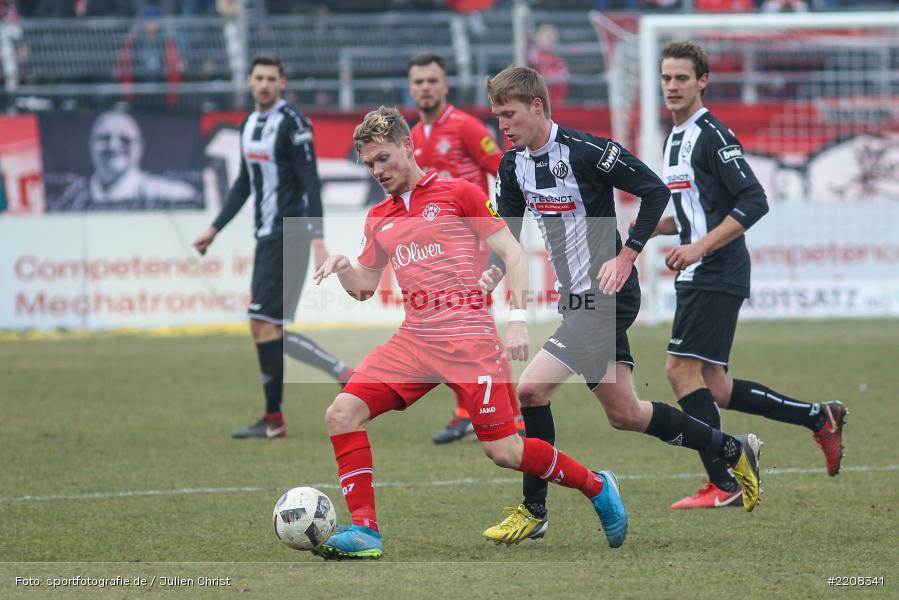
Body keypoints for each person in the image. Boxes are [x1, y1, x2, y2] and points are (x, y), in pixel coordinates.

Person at [310, 106, 628, 560]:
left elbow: (514, 255)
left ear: (407, 146)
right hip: (415, 340)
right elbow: (363, 288)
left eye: (383, 158)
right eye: (368, 164)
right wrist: (345, 266)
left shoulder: (459, 194)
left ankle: (597, 486)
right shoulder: (379, 216)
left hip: (470, 342)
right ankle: (366, 531)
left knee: (505, 451)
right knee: (341, 414)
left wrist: (517, 321)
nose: (377, 171)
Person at [479, 66, 764, 545]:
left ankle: (534, 510)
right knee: (626, 414)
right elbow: (505, 230)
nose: (503, 126)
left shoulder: (588, 151)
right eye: (497, 117)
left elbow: (654, 189)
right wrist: (491, 270)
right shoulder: (513, 165)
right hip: (578, 301)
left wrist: (629, 253)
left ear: (537, 107)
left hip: (609, 295)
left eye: (509, 115)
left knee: (530, 390)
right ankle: (732, 448)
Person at [654, 41, 846, 509]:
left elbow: (753, 200)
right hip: (701, 269)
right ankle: (818, 416)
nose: (673, 86)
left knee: (679, 371)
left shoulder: (712, 134)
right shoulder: (674, 137)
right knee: (715, 386)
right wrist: (638, 234)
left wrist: (698, 247)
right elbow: (692, 213)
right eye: (666, 78)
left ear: (703, 81)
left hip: (715, 268)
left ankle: (725, 482)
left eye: (682, 78)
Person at [193, 54, 352, 439]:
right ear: (249, 81)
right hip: (266, 235)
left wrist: (317, 238)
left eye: (271, 78)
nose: (264, 84)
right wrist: (215, 228)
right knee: (264, 327)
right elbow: (245, 184)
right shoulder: (249, 124)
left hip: (291, 233)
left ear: (282, 83)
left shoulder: (293, 123)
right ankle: (283, 412)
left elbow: (310, 182)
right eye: (258, 78)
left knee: (265, 326)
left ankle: (324, 384)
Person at [406, 51, 524, 444]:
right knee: (452, 332)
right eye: (418, 82)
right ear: (412, 87)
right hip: (435, 253)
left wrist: (499, 225)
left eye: (431, 80)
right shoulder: (413, 136)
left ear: (445, 85)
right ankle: (468, 411)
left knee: (474, 330)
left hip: (471, 243)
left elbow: (505, 170)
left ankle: (512, 417)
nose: (425, 88)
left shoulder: (466, 127)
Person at [51, 111, 202, 211]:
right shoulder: (68, 201)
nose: (113, 146)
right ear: (89, 145)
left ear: (139, 147)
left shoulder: (175, 194)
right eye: (104, 138)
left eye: (125, 139)